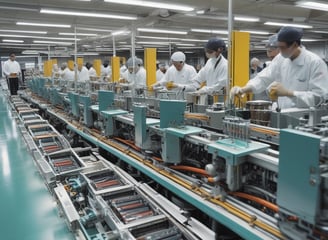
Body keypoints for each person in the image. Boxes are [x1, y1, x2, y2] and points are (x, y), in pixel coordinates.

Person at [230, 26, 328, 109]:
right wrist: (243, 89)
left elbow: (319, 98)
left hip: (304, 119)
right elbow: (264, 78)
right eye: (278, 47)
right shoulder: (281, 59)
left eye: (282, 47)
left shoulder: (315, 63)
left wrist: (289, 93)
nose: (280, 51)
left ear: (295, 44)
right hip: (281, 113)